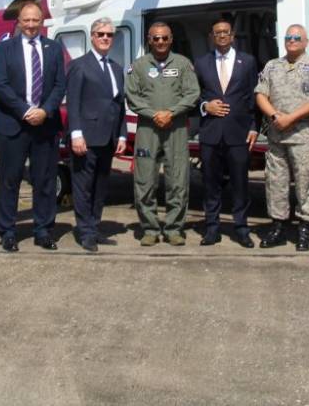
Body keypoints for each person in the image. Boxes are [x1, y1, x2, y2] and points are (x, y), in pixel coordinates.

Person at [0, 2, 67, 252]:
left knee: (44, 180)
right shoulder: (4, 49)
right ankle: (8, 231)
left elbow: (59, 84)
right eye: (27, 21)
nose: (31, 25)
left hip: (45, 124)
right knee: (9, 180)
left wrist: (45, 111)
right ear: (19, 22)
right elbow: (0, 84)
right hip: (13, 123)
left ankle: (43, 229)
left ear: (42, 21)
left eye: (36, 20)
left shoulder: (54, 48)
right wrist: (25, 111)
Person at [125, 22, 200, 246]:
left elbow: (192, 93)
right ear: (149, 40)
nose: (160, 42)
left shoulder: (183, 64)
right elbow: (132, 96)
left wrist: (171, 112)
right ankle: (149, 228)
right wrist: (153, 114)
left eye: (164, 38)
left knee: (177, 180)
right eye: (155, 38)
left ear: (171, 39)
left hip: (175, 128)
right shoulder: (138, 66)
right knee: (144, 180)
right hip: (148, 129)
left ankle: (174, 229)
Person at [255, 24, 309, 251]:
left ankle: (304, 229)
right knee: (275, 184)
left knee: (305, 185)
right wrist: (276, 115)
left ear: (306, 42)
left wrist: (292, 118)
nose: (292, 40)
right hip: (277, 138)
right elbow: (261, 95)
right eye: (288, 37)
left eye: (297, 37)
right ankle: (278, 227)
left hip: (303, 137)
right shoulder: (272, 66)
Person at [193, 18, 259, 248]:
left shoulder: (248, 62)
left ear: (232, 36)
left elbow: (254, 97)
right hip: (210, 132)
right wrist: (205, 106)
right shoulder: (201, 63)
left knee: (240, 184)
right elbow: (194, 96)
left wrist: (254, 127)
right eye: (217, 33)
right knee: (211, 183)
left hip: (238, 133)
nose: (221, 36)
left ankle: (241, 228)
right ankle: (212, 229)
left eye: (225, 32)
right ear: (211, 37)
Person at [65, 17, 127, 253]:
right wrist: (76, 134)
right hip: (87, 137)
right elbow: (73, 102)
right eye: (100, 34)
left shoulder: (117, 68)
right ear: (92, 36)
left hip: (108, 138)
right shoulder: (80, 65)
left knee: (101, 187)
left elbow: (119, 105)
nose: (105, 38)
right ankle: (86, 232)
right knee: (83, 187)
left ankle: (95, 225)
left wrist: (121, 135)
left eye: (109, 35)